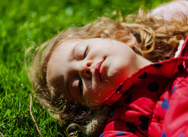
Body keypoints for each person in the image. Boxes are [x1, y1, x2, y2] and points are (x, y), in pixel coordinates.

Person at [27, 0, 188, 136]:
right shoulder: (122, 125)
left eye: (84, 52)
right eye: (79, 86)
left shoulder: (182, 45)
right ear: (92, 107)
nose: (85, 68)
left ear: (123, 37)